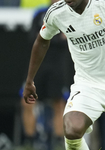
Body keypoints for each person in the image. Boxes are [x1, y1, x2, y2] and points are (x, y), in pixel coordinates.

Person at [23, 0, 105, 149]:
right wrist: (30, 81)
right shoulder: (56, 12)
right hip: (87, 85)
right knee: (72, 129)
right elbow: (42, 41)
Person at [20, 0, 74, 150]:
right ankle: (29, 142)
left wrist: (47, 37)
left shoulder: (69, 14)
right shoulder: (39, 13)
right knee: (27, 102)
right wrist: (55, 38)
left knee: (59, 104)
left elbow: (67, 40)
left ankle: (58, 143)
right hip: (38, 66)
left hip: (58, 68)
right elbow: (33, 38)